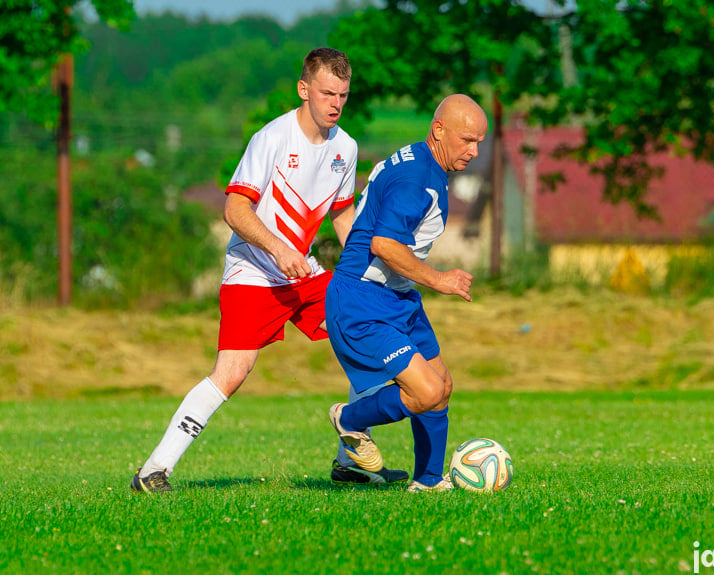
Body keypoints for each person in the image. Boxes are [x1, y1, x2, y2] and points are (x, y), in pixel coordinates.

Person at [131, 47, 408, 493]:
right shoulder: (272, 139)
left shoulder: (346, 147)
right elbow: (235, 209)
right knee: (233, 371)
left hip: (304, 273)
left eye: (343, 94)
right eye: (326, 93)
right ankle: (153, 471)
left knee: (365, 339)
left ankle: (351, 462)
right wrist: (278, 249)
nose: (336, 103)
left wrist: (370, 269)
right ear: (304, 90)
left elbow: (342, 217)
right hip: (252, 272)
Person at [324, 94, 488, 492]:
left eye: (479, 142)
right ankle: (350, 419)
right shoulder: (416, 180)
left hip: (397, 297)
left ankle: (429, 481)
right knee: (426, 391)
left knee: (441, 386)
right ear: (439, 130)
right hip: (362, 300)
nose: (475, 150)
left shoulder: (423, 162)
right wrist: (440, 279)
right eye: (467, 140)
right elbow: (384, 245)